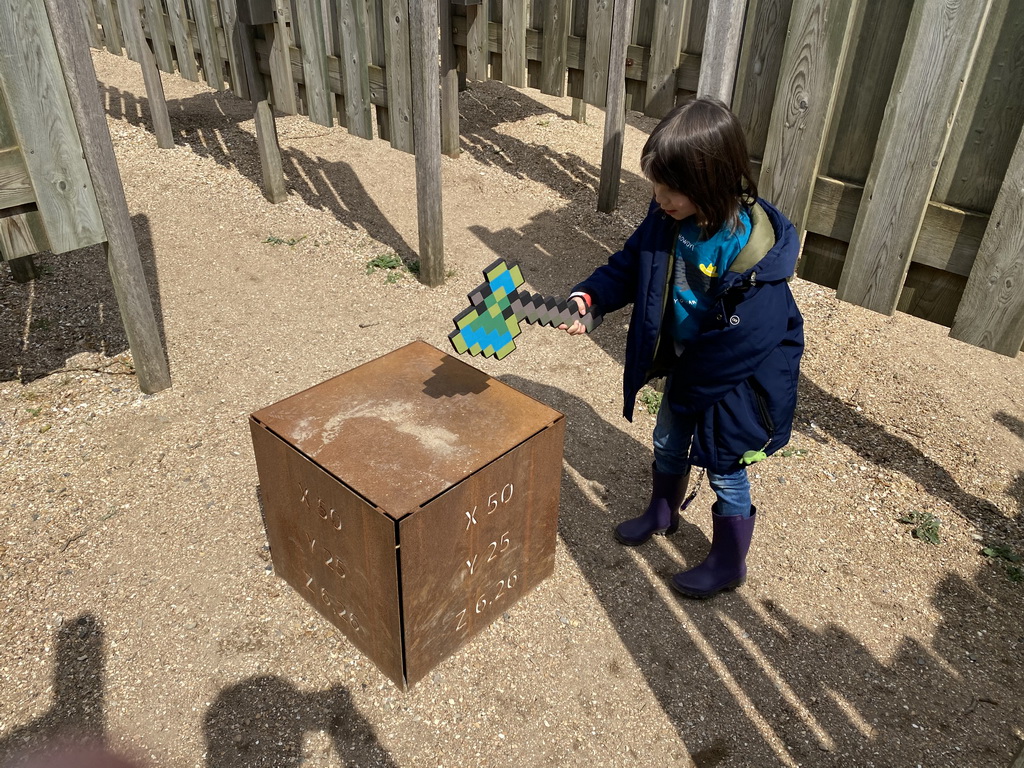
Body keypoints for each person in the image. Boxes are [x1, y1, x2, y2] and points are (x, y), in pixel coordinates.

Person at [562, 97, 804, 599]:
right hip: (687, 369)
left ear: (711, 182)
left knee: (725, 468)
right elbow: (633, 264)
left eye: (670, 190)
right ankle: (663, 509)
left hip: (732, 386)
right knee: (668, 441)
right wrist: (592, 297)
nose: (658, 197)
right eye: (655, 185)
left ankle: (728, 560)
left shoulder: (751, 253)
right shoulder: (669, 218)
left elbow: (746, 342)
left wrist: (690, 389)